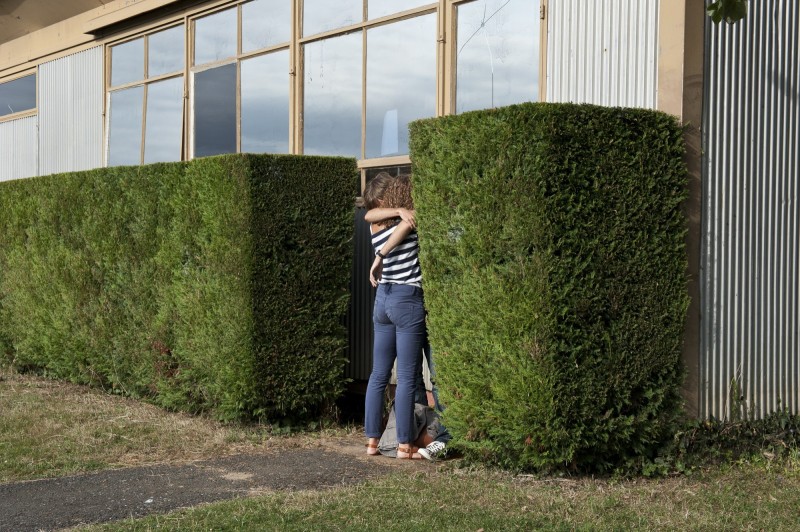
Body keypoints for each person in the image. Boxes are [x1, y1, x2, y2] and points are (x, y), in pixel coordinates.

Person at [363, 173, 449, 461]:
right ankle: (403, 445)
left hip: (382, 300)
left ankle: (372, 441)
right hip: (406, 299)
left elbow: (371, 213)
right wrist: (381, 256)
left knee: (378, 374)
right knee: (408, 376)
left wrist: (379, 256)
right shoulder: (408, 222)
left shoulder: (375, 223)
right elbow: (402, 228)